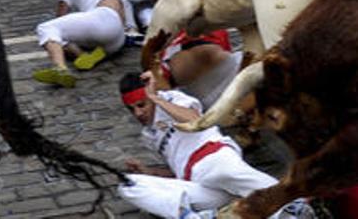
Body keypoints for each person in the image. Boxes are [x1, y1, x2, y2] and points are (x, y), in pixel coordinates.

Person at [116, 71, 278, 218]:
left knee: (229, 174)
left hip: (212, 158)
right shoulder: (148, 135)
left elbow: (195, 120)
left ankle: (293, 203)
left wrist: (155, 98)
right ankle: (189, 216)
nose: (138, 113)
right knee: (128, 184)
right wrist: (149, 171)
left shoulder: (171, 98)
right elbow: (176, 170)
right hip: (197, 185)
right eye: (132, 109)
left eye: (141, 105)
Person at [33, 0, 128, 87]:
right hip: (117, 40)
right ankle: (85, 56)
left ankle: (60, 69)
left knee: (47, 29)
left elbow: (62, 10)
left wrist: (52, 38)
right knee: (63, 36)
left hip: (103, 19)